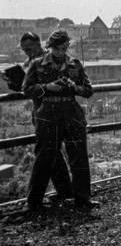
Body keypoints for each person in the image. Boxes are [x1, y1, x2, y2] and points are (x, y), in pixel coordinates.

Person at [22, 30, 98, 210]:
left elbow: (88, 90)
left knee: (79, 157)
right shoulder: (37, 64)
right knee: (44, 158)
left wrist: (74, 88)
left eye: (64, 48)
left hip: (72, 113)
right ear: (49, 47)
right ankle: (33, 203)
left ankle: (83, 198)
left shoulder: (75, 64)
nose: (60, 53)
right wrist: (47, 87)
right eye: (57, 49)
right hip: (48, 114)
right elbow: (27, 89)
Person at [2, 32, 73, 203]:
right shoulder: (30, 62)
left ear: (38, 44)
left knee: (45, 153)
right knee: (52, 152)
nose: (27, 52)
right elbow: (26, 87)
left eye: (29, 48)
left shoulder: (47, 59)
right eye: (24, 49)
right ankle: (65, 191)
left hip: (51, 110)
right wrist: (10, 80)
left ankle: (35, 199)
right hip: (40, 110)